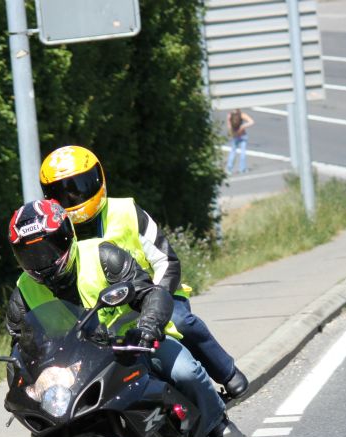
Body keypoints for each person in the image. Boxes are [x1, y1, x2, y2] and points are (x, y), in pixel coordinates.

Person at [4, 198, 252, 437]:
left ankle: (219, 427)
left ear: (67, 237)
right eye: (30, 255)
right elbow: (20, 346)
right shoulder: (23, 293)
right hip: (84, 366)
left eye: (47, 249)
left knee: (185, 371)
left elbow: (151, 293)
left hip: (136, 344)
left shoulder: (102, 255)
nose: (41, 262)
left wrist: (148, 327)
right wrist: (27, 383)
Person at [38, 145, 248, 399]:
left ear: (98, 178)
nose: (72, 198)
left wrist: (155, 302)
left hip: (153, 296)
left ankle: (226, 372)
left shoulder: (126, 212)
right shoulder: (57, 233)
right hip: (105, 319)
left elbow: (167, 261)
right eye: (61, 193)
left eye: (79, 187)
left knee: (181, 321)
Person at [225, 109, 254, 174]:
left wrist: (231, 133)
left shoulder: (229, 115)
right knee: (243, 152)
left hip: (235, 135)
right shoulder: (241, 115)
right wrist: (243, 126)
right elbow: (251, 122)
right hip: (243, 134)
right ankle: (242, 169)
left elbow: (229, 126)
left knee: (233, 151)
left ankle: (229, 169)